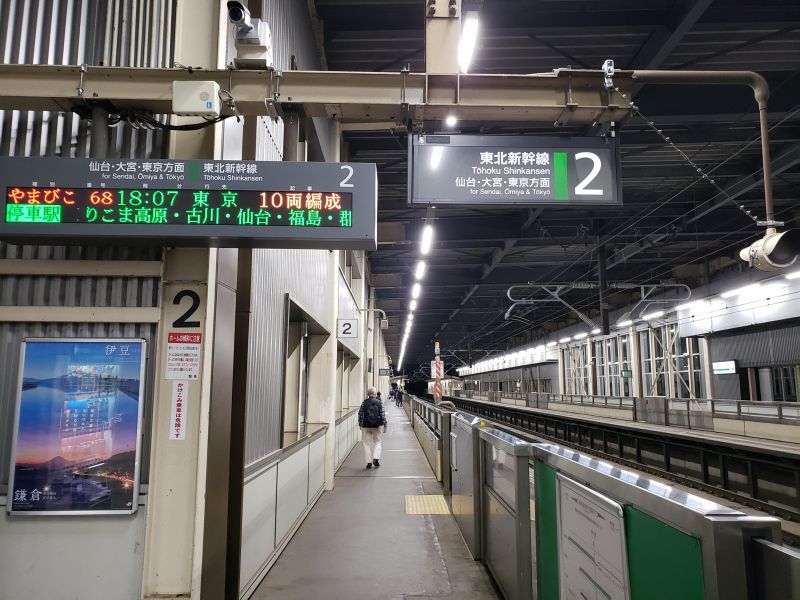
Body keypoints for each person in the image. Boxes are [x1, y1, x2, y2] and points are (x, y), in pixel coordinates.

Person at [358, 386, 387, 469]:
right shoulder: (379, 402)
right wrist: (385, 425)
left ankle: (369, 462)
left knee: (366, 444)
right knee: (377, 442)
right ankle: (376, 458)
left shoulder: (364, 403)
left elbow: (360, 414)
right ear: (375, 394)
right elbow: (382, 415)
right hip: (377, 426)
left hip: (366, 426)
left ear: (368, 394)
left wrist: (360, 424)